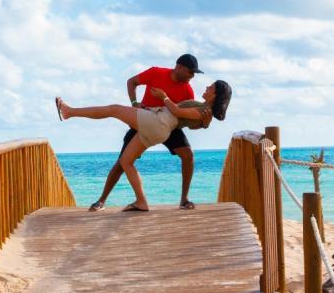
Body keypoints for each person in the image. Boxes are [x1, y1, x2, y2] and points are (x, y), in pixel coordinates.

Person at [56, 79, 232, 212]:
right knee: (126, 161)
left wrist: (163, 97)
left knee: (114, 109)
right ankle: (141, 201)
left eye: (211, 87)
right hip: (159, 128)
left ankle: (69, 112)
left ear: (215, 95)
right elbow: (192, 119)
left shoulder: (203, 111)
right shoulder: (204, 111)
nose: (207, 87)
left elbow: (177, 111)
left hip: (159, 122)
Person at [92, 55, 200, 213]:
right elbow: (132, 82)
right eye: (191, 72)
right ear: (179, 67)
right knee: (122, 163)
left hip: (168, 127)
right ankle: (101, 201)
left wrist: (201, 123)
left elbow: (186, 118)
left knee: (188, 155)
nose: (192, 76)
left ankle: (184, 200)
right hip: (143, 122)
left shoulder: (187, 91)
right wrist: (135, 104)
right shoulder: (156, 73)